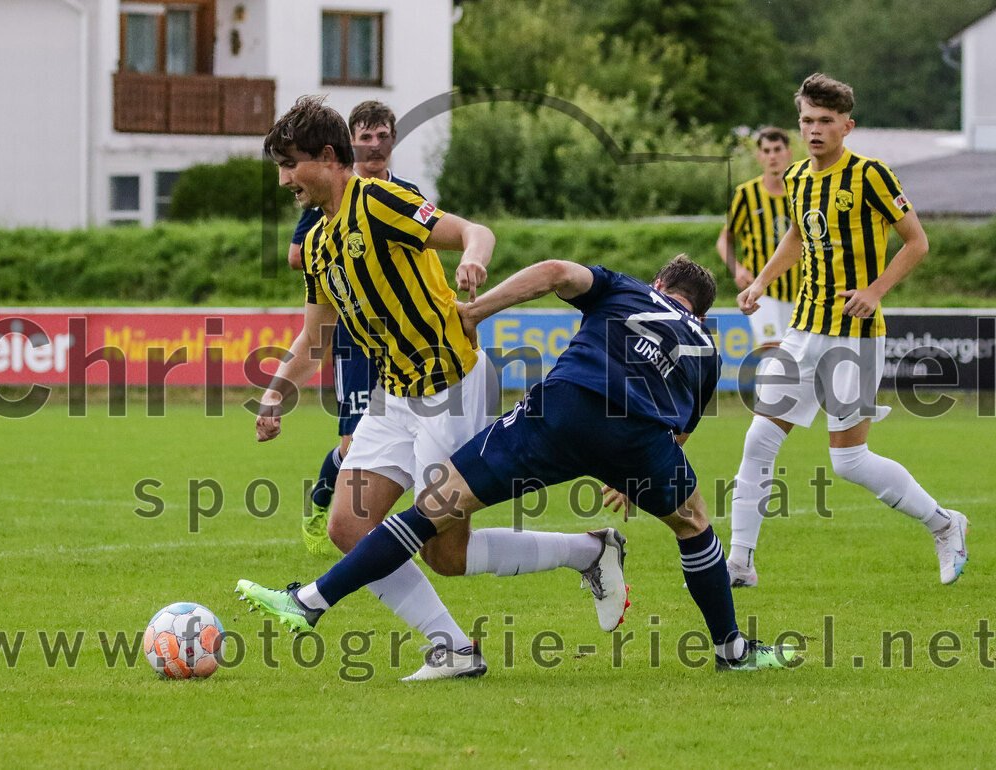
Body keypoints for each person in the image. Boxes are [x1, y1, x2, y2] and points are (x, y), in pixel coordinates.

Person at [238, 256, 798, 673]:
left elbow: (556, 270)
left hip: (562, 409)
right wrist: (630, 482)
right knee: (694, 524)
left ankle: (311, 600)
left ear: (659, 286)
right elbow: (676, 433)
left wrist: (478, 308)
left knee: (434, 509)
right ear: (699, 310)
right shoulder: (706, 348)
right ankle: (733, 650)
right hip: (638, 440)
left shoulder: (627, 290)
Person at [251, 95, 624, 681]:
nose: (283, 180)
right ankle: (451, 647)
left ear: (327, 157)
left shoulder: (380, 202)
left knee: (446, 554)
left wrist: (473, 262)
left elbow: (475, 231)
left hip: (451, 386)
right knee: (347, 527)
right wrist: (275, 394)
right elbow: (314, 338)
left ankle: (591, 551)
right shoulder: (321, 244)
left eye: (289, 164)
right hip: (394, 395)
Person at [727, 73, 969, 588]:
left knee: (850, 461)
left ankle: (946, 524)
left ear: (846, 126)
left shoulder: (871, 176)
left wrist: (875, 291)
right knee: (757, 441)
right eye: (808, 121)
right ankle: (740, 563)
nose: (815, 130)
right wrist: (763, 282)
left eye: (825, 122)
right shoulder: (796, 178)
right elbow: (797, 234)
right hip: (802, 329)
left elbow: (917, 242)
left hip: (855, 336)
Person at [283, 101, 425, 555]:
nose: (375, 145)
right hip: (351, 332)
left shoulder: (404, 191)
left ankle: (381, 527)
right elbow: (296, 254)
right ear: (349, 144)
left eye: (382, 136)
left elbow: (427, 244)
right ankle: (325, 501)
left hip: (402, 336)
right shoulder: (331, 194)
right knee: (354, 437)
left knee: (413, 438)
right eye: (365, 137)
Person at [716, 127, 799, 356]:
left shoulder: (801, 191)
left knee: (796, 356)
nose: (772, 155)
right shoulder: (747, 194)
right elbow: (725, 239)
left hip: (800, 290)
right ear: (759, 156)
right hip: (762, 290)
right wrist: (736, 269)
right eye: (767, 150)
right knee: (772, 350)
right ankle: (768, 393)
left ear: (788, 153)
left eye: (777, 149)